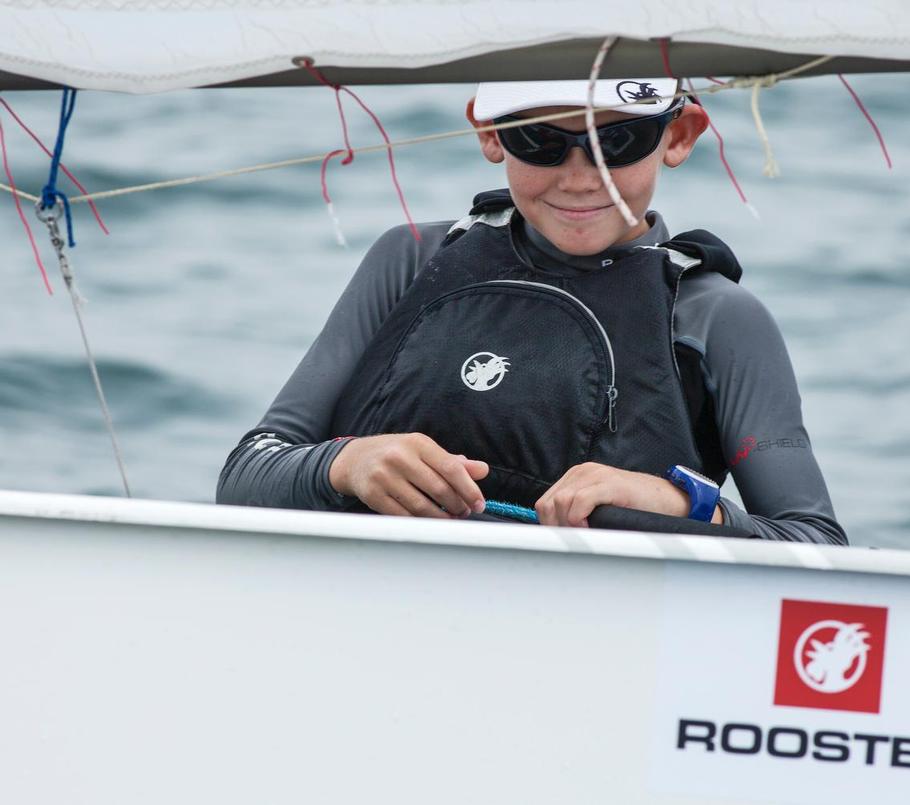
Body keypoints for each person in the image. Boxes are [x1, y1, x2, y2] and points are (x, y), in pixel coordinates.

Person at [217, 78, 846, 545]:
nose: (579, 180)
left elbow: (814, 543)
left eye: (618, 142)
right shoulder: (409, 260)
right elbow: (247, 475)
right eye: (539, 142)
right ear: (489, 133)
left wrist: (679, 502)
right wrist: (344, 465)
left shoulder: (719, 317)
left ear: (678, 135)